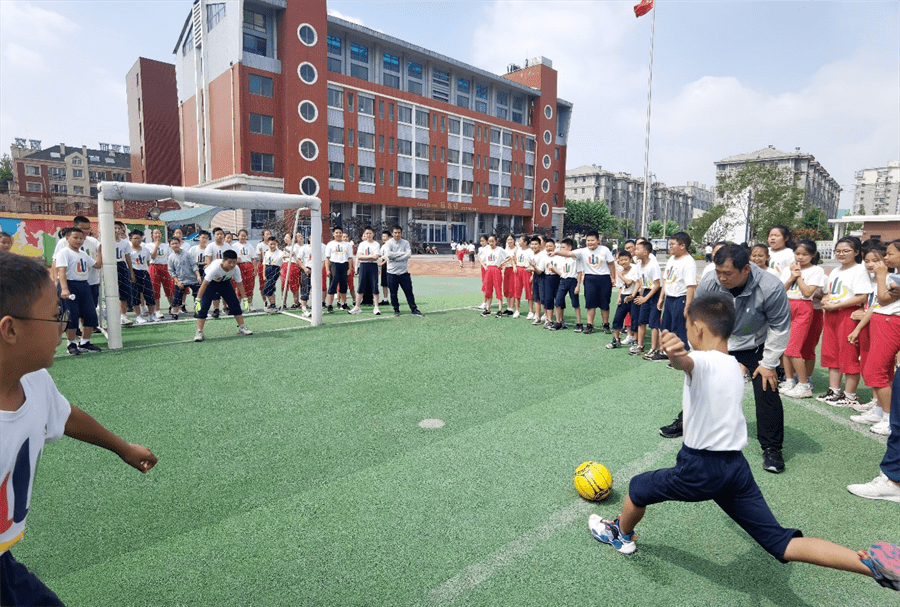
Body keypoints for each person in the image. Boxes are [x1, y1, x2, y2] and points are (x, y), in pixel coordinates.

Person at [586, 293, 900, 593]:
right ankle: (872, 565)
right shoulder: (736, 366)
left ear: (698, 328)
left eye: (687, 326)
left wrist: (678, 354)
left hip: (700, 467)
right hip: (735, 468)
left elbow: (689, 364)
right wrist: (683, 356)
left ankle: (621, 534)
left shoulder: (703, 360)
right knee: (780, 542)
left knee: (639, 486)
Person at [0, 252, 158, 606]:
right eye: (56, 315)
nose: (63, 324)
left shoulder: (35, 380)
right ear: (11, 329)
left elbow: (65, 415)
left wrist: (122, 447)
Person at [660, 244, 791, 474]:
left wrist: (769, 363)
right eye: (719, 271)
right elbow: (696, 318)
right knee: (701, 381)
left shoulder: (770, 287)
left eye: (728, 273)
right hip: (720, 340)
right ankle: (684, 420)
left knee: (766, 388)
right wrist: (699, 352)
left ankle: (772, 448)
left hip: (754, 343)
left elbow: (779, 328)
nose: (721, 278)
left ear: (746, 270)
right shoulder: (711, 280)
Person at [850, 239, 900, 438]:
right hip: (882, 322)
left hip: (891, 323)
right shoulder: (894, 276)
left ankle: (890, 419)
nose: (886, 258)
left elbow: (882, 299)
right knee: (881, 370)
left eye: (889, 254)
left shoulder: (892, 278)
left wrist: (881, 276)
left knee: (875, 370)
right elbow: (877, 305)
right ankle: (880, 411)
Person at [816, 237, 871, 408]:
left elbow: (863, 296)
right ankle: (834, 390)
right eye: (838, 251)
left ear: (856, 252)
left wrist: (837, 305)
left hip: (848, 314)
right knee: (831, 352)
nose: (841, 254)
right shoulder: (836, 271)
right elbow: (830, 292)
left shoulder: (860, 270)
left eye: (846, 250)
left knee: (849, 354)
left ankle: (850, 395)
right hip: (833, 314)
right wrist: (826, 301)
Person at [779, 240, 826, 399]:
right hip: (787, 305)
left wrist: (798, 276)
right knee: (785, 347)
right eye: (797, 253)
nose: (800, 257)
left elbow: (807, 293)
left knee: (794, 348)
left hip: (803, 306)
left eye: (805, 254)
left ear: (813, 255)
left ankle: (804, 384)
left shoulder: (816, 270)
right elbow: (781, 290)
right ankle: (790, 380)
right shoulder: (789, 269)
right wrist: (792, 276)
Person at [552, 230, 616, 334]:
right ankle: (590, 325)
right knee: (590, 303)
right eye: (588, 240)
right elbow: (569, 253)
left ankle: (606, 324)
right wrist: (556, 252)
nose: (590, 242)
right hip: (590, 279)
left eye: (592, 240)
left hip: (604, 278)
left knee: (604, 303)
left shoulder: (604, 250)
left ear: (598, 241)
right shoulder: (583, 251)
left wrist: (613, 278)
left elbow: (612, 264)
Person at [55, 228, 103, 354]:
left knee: (90, 314)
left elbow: (97, 265)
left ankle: (85, 342)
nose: (79, 240)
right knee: (72, 316)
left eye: (81, 238)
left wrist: (100, 250)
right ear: (67, 238)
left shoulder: (82, 254)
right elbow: (62, 272)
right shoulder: (64, 252)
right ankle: (71, 344)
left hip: (84, 286)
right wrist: (64, 289)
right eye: (75, 238)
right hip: (70, 286)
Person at [193, 250, 253, 342]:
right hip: (211, 282)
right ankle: (199, 332)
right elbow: (204, 284)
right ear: (223, 261)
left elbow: (239, 284)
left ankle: (242, 327)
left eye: (234, 262)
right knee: (203, 306)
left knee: (234, 303)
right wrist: (198, 299)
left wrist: (245, 299)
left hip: (225, 282)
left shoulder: (236, 268)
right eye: (229, 262)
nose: (232, 265)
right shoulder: (215, 267)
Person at [656, 231, 697, 359]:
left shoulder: (688, 262)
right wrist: (661, 298)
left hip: (681, 299)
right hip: (670, 298)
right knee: (666, 326)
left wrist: (687, 307)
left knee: (678, 327)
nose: (670, 247)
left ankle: (681, 355)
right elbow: (666, 280)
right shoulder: (672, 260)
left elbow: (691, 286)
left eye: (673, 244)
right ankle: (667, 352)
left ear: (682, 245)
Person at [380, 226, 422, 317]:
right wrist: (402, 254)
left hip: (404, 273)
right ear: (392, 233)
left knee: (409, 292)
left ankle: (414, 309)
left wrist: (396, 257)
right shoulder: (388, 243)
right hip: (392, 273)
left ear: (401, 233)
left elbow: (408, 254)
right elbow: (389, 255)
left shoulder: (405, 243)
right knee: (393, 293)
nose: (397, 234)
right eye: (395, 232)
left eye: (399, 232)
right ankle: (396, 309)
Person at [630, 241, 662, 358]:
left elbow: (657, 284)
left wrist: (645, 299)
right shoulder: (638, 265)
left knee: (654, 323)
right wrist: (636, 295)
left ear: (645, 252)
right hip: (645, 292)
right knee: (641, 321)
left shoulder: (653, 265)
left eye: (637, 249)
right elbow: (640, 281)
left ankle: (654, 349)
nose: (635, 251)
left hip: (654, 293)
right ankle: (640, 346)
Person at [547, 238, 583, 331]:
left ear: (570, 248)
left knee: (575, 303)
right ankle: (559, 322)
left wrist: (578, 285)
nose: (562, 249)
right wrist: (553, 269)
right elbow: (561, 272)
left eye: (564, 247)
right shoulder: (560, 259)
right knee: (558, 302)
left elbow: (579, 273)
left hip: (572, 281)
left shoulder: (575, 258)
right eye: (561, 247)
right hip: (563, 281)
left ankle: (579, 323)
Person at [607, 250, 639, 349]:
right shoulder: (621, 271)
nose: (624, 262)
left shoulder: (634, 269)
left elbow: (629, 282)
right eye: (621, 260)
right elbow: (621, 286)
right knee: (617, 318)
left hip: (633, 296)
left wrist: (620, 275)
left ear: (630, 259)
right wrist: (619, 297)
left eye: (626, 259)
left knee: (635, 319)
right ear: (618, 262)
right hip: (624, 296)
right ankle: (616, 340)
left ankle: (635, 340)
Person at [166, 236, 202, 319]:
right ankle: (175, 313)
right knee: (177, 298)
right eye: (173, 243)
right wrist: (178, 282)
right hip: (181, 281)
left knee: (197, 297)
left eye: (176, 243)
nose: (175, 245)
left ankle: (198, 312)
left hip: (193, 280)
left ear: (179, 244)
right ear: (170, 246)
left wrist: (198, 276)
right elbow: (171, 271)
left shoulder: (187, 254)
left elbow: (194, 265)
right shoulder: (171, 258)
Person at [349, 227, 381, 315]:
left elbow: (376, 257)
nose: (368, 235)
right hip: (363, 266)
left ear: (373, 234)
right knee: (361, 285)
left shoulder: (376, 244)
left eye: (370, 233)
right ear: (364, 234)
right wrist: (370, 257)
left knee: (374, 286)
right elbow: (359, 256)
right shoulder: (362, 244)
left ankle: (376, 307)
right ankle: (357, 307)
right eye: (366, 233)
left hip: (373, 266)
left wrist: (367, 257)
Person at [128, 229, 158, 324]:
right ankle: (138, 316)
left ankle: (151, 315)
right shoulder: (128, 251)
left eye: (139, 238)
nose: (137, 240)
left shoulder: (145, 250)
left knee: (149, 294)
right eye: (135, 238)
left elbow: (148, 262)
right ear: (131, 239)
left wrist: (145, 270)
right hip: (134, 273)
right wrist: (132, 273)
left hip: (144, 272)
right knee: (135, 295)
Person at [204, 227, 232, 319]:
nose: (220, 236)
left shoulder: (227, 246)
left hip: (225, 272)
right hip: (215, 272)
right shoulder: (210, 246)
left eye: (221, 234)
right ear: (214, 235)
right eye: (217, 234)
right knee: (215, 292)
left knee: (226, 290)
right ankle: (216, 309)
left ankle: (226, 307)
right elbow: (208, 260)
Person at [325, 227, 354, 313]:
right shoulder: (330, 244)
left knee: (344, 285)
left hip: (344, 265)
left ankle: (343, 304)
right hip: (334, 265)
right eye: (336, 233)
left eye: (340, 232)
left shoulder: (347, 245)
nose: (338, 234)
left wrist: (349, 268)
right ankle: (330, 305)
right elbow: (327, 258)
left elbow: (350, 258)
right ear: (333, 234)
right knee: (332, 285)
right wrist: (327, 269)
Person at [479, 235, 508, 317]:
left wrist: (502, 263)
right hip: (488, 270)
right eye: (489, 241)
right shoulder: (487, 250)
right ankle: (488, 309)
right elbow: (480, 259)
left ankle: (500, 310)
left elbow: (509, 257)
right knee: (488, 289)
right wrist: (485, 266)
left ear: (496, 241)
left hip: (496, 270)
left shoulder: (500, 249)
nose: (491, 243)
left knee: (498, 288)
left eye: (492, 241)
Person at [148, 228, 174, 320]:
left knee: (169, 287)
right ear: (152, 235)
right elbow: (153, 256)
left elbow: (170, 257)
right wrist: (156, 245)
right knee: (155, 288)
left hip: (165, 266)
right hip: (154, 266)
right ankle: (157, 309)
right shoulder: (149, 245)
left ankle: (172, 307)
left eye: (159, 233)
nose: (157, 235)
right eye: (155, 233)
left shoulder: (166, 246)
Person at [114, 221, 135, 326]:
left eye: (119, 228)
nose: (117, 230)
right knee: (111, 292)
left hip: (121, 265)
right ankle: (112, 314)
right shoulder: (104, 242)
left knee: (124, 291)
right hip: (110, 266)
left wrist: (131, 271)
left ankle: (123, 315)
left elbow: (128, 258)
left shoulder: (125, 243)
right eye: (115, 228)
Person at [233, 229, 258, 312]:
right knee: (240, 286)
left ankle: (249, 305)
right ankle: (238, 306)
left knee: (250, 286)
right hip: (239, 267)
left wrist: (255, 269)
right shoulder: (234, 246)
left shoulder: (250, 246)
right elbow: (232, 260)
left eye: (244, 236)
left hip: (249, 267)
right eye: (241, 235)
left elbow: (253, 259)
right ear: (238, 236)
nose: (243, 237)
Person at [261, 237, 282, 311]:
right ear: (268, 244)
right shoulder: (267, 252)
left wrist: (290, 254)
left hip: (274, 269)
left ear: (276, 244)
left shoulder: (279, 252)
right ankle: (273, 304)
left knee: (267, 289)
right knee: (271, 289)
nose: (272, 246)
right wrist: (263, 275)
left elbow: (284, 256)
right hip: (268, 269)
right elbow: (264, 264)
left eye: (274, 244)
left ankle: (273, 305)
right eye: (270, 244)